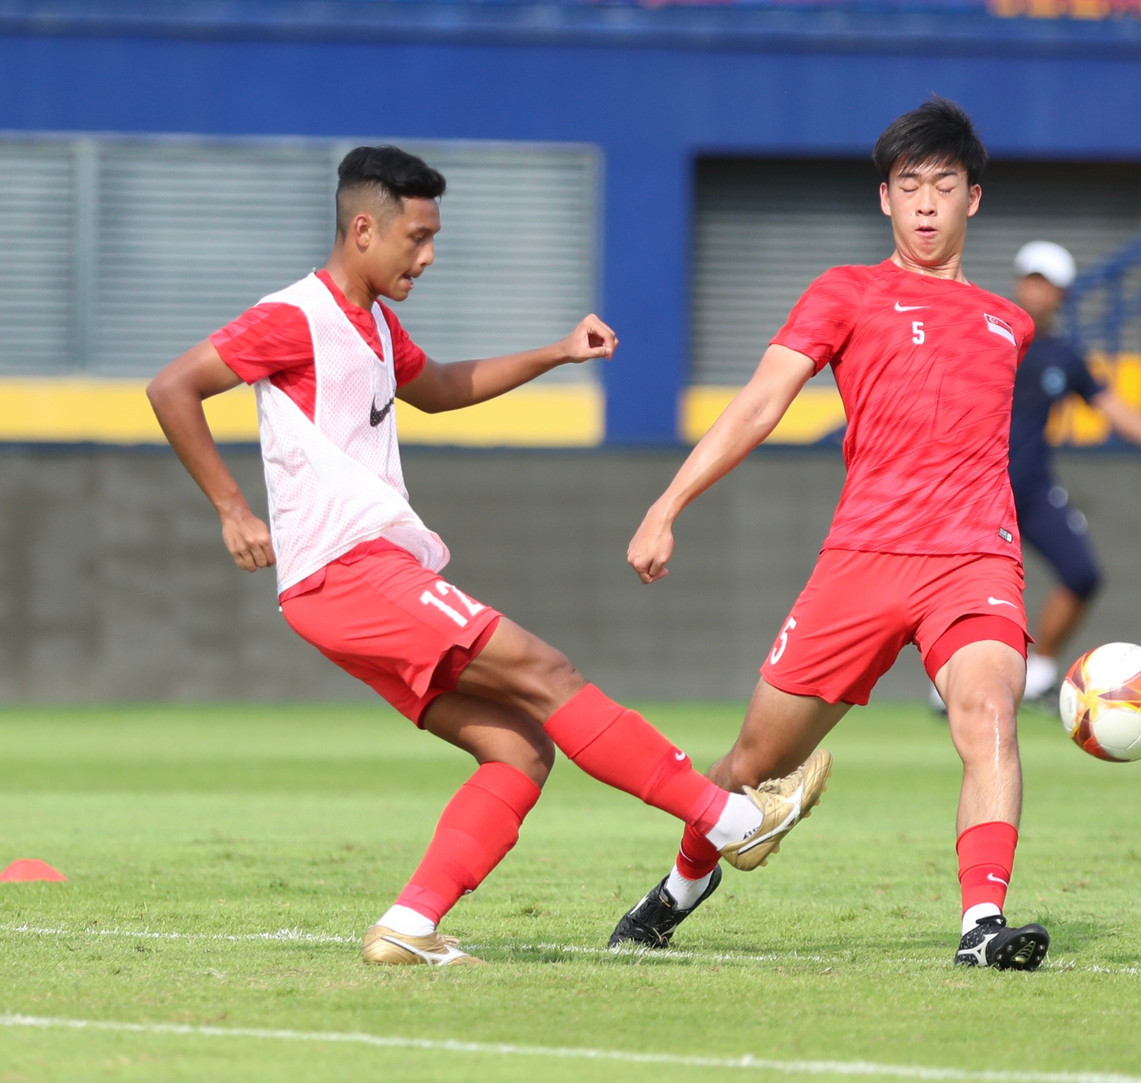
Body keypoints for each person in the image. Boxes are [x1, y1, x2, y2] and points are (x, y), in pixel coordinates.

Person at [146, 145, 830, 968]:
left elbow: (437, 388)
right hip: (348, 569)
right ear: (363, 228)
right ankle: (731, 821)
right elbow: (172, 385)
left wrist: (556, 351)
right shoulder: (296, 315)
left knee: (519, 748)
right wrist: (232, 509)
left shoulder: (372, 324)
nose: (429, 256)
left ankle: (408, 923)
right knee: (550, 672)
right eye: (418, 236)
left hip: (348, 582)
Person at [610, 97, 1049, 971]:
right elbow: (760, 404)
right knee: (750, 760)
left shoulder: (1011, 324)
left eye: (945, 185)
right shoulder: (846, 290)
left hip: (976, 559)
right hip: (862, 562)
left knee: (989, 712)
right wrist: (668, 503)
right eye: (909, 185)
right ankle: (682, 885)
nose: (927, 202)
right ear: (885, 199)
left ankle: (981, 924)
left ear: (975, 199)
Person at [1008, 240, 1141, 701]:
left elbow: (1112, 408)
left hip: (1031, 487)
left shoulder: (1064, 356)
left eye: (1046, 284)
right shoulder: (989, 335)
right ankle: (954, 686)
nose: (1036, 291)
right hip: (975, 490)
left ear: (1062, 294)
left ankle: (1040, 674)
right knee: (969, 590)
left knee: (1082, 573)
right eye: (1030, 279)